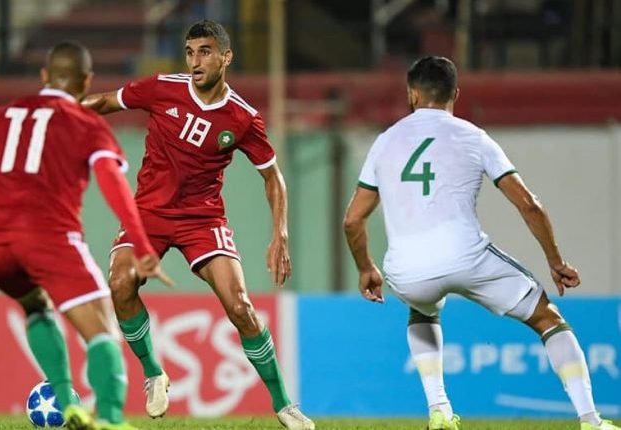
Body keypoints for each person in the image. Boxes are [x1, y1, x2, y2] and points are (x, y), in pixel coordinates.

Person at [343, 56, 620, 430]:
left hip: (407, 270)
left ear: (412, 94)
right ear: (455, 94)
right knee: (548, 319)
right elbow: (529, 205)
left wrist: (366, 268)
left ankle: (439, 410)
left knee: (422, 310)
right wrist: (555, 261)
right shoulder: (473, 137)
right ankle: (590, 420)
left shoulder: (385, 141)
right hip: (468, 257)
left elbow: (352, 220)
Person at [82, 19, 314, 430]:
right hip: (149, 213)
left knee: (240, 306)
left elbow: (273, 176)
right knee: (120, 283)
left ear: (226, 57)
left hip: (202, 219)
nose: (194, 62)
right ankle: (154, 373)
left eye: (205, 52)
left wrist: (280, 234)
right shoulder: (161, 88)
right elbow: (105, 102)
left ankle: (284, 405)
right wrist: (59, 111)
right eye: (189, 53)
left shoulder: (243, 117)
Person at [0, 41, 172, 430]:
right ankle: (111, 419)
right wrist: (142, 244)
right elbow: (112, 183)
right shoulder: (85, 123)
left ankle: (68, 404)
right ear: (87, 81)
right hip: (48, 237)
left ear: (45, 76)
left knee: (36, 307)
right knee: (102, 330)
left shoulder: (0, 117)